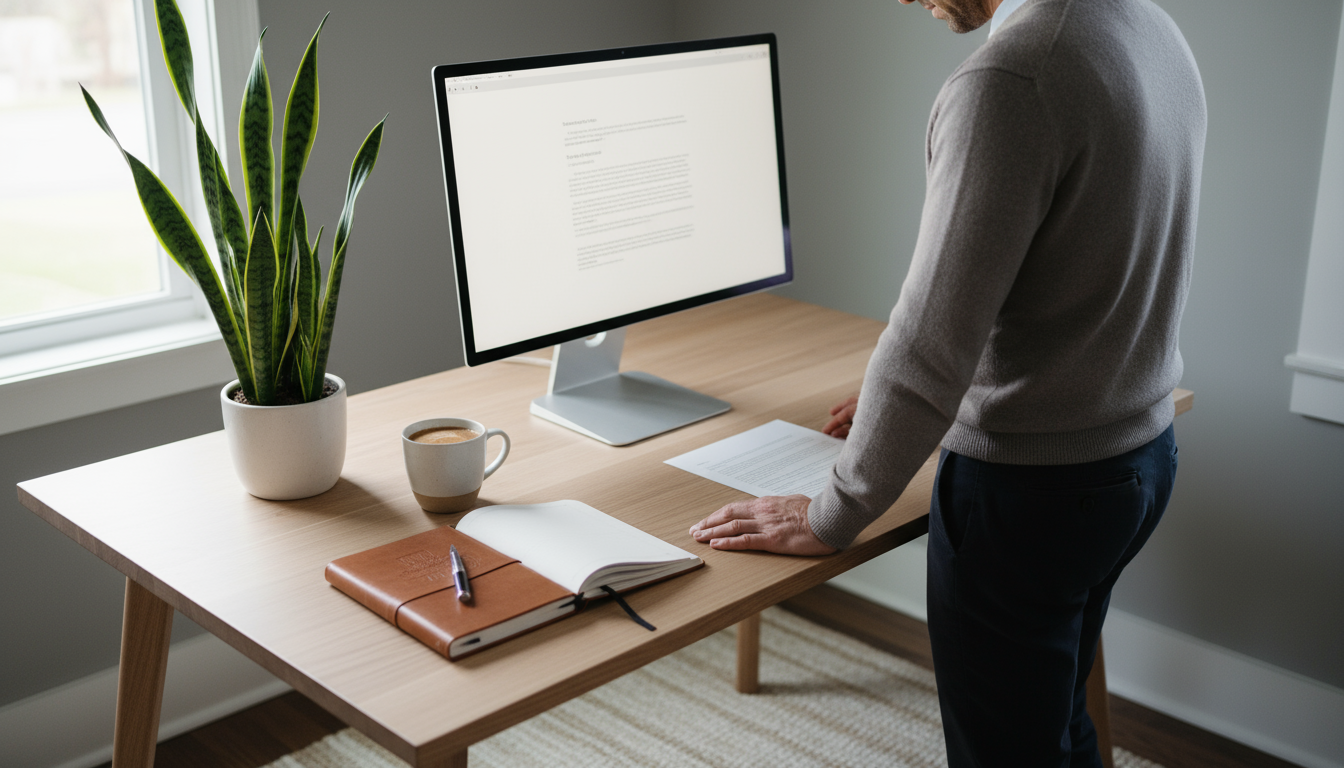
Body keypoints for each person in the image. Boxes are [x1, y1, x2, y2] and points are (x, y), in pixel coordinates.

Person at [688, 0, 1206, 764]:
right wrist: (930, 395)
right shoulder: (1141, 22)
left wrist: (831, 514)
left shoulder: (1009, 80)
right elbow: (1068, 275)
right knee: (1060, 723)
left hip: (1031, 499)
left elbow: (931, 340)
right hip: (1137, 458)